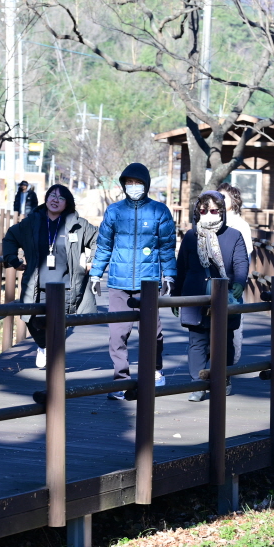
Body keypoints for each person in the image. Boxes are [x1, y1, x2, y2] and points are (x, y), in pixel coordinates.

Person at [89, 162, 177, 399]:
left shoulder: (160, 211)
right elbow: (104, 246)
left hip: (148, 283)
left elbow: (167, 247)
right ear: (123, 185)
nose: (134, 186)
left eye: (138, 182)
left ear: (146, 185)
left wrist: (169, 275)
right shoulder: (114, 211)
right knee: (117, 334)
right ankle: (121, 381)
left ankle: (155, 370)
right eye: (129, 182)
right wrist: (96, 273)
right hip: (118, 283)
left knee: (153, 333)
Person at [2, 184, 97, 369]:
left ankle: (54, 357)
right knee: (32, 319)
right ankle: (44, 345)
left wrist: (92, 261)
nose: (55, 200)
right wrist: (12, 259)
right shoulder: (32, 221)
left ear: (67, 203)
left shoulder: (77, 224)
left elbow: (98, 240)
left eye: (61, 198)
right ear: (46, 199)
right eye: (52, 196)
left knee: (60, 322)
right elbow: (11, 237)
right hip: (37, 284)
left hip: (67, 285)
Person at [173, 191, 249, 401]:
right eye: (204, 210)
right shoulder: (190, 236)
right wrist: (176, 295)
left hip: (224, 296)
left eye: (214, 211)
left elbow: (241, 263)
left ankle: (223, 378)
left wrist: (239, 283)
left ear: (222, 211)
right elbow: (181, 267)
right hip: (195, 296)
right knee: (196, 341)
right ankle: (197, 384)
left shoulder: (234, 235)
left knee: (223, 342)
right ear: (198, 211)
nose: (209, 214)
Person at [216, 181, 254, 363]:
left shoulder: (240, 225)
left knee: (233, 324)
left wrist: (240, 278)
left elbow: (246, 256)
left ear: (234, 200)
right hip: (210, 280)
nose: (220, 200)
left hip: (232, 281)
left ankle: (230, 364)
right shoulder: (209, 220)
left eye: (224, 197)